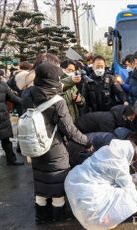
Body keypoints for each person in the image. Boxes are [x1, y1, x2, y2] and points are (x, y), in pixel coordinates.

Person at [23, 61, 93, 223]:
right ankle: (59, 216)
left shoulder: (27, 94)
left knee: (40, 180)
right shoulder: (57, 101)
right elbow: (70, 130)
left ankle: (41, 215)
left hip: (35, 145)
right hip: (54, 148)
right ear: (53, 79)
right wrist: (87, 142)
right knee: (57, 181)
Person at [65, 139, 137, 230]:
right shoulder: (120, 165)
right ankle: (105, 220)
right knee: (125, 194)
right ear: (129, 156)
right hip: (89, 194)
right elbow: (131, 191)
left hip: (75, 180)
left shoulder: (107, 149)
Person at [0, 70, 24, 166]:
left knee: (6, 141)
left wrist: (26, 102)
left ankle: (11, 160)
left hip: (3, 119)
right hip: (3, 118)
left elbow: (13, 98)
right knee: (6, 141)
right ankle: (11, 160)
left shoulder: (3, 85)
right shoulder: (3, 84)